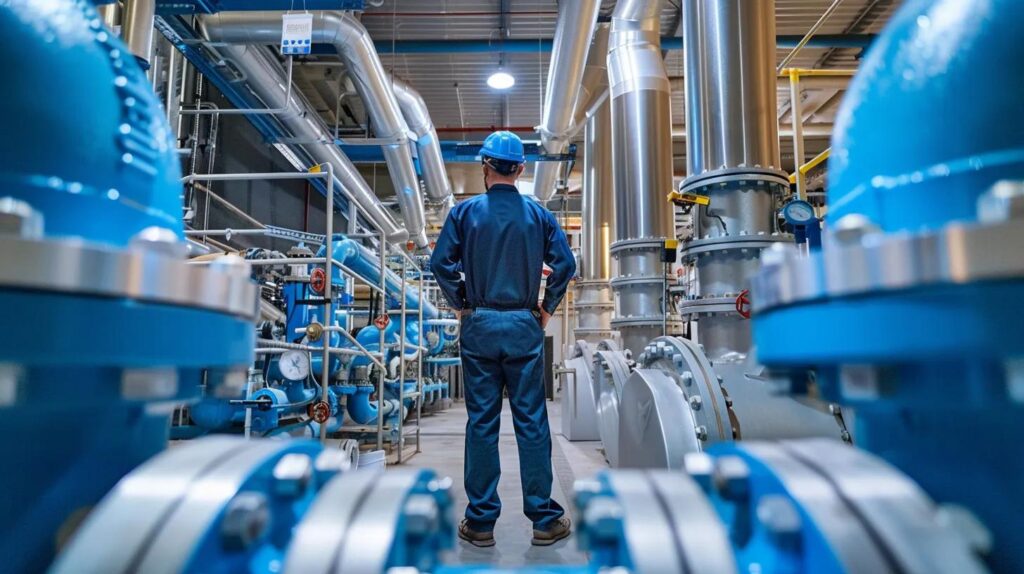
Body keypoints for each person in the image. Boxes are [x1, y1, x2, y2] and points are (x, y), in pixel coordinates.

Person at [430, 131, 576, 548]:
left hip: (479, 325)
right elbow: (565, 264)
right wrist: (546, 310)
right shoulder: (539, 215)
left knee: (481, 423)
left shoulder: (465, 213)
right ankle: (545, 520)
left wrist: (461, 305)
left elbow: (441, 263)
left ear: (485, 167)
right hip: (523, 325)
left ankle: (480, 523)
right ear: (522, 169)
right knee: (531, 422)